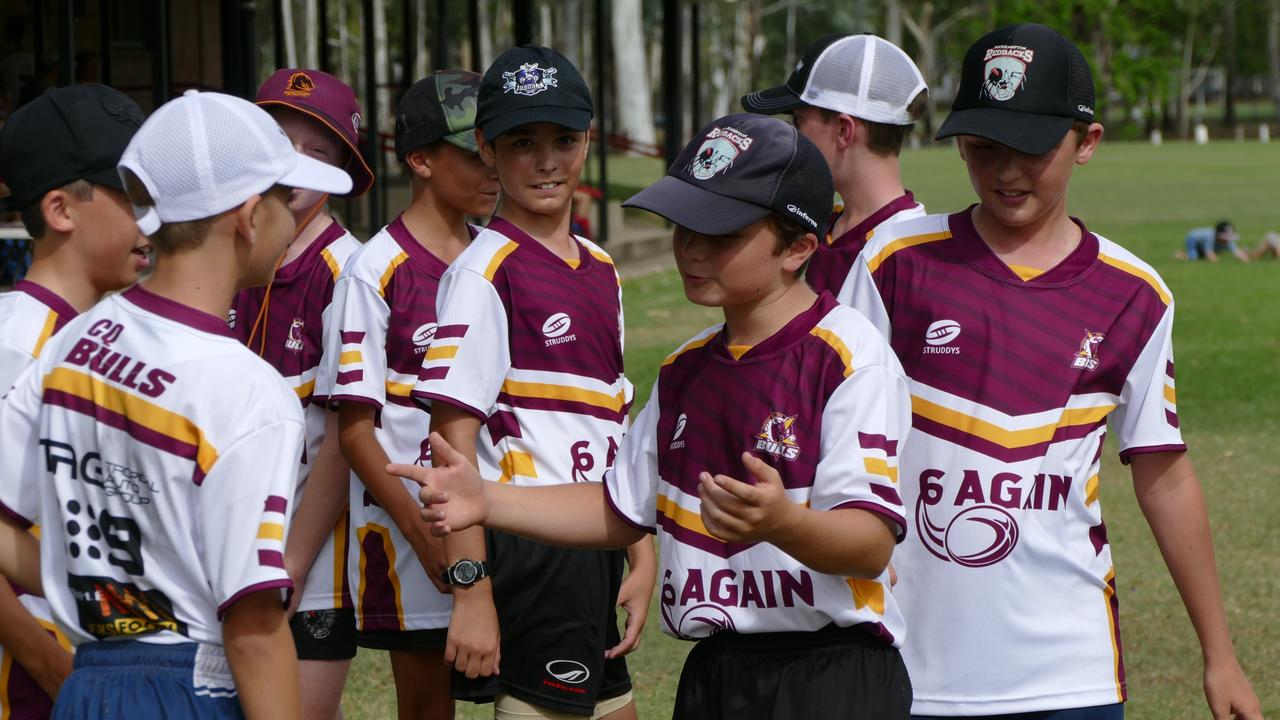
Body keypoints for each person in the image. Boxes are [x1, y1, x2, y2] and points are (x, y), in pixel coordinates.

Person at [402, 112, 914, 720]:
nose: (691, 249)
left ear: (799, 246)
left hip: (829, 671)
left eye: (721, 233)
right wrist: (486, 500)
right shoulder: (685, 369)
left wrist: (783, 523)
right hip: (717, 670)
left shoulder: (849, 356)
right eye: (683, 226)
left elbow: (870, 542)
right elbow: (620, 507)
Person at [844, 23, 1264, 720]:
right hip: (906, 664)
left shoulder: (1134, 293)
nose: (1007, 172)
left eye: (1032, 149)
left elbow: (1164, 472)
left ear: (1086, 142)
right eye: (983, 149)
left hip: (1071, 674)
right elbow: (839, 436)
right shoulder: (896, 260)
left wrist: (1219, 655)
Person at [0, 89, 351, 718]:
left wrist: (89, 584)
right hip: (192, 685)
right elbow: (253, 629)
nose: (292, 217)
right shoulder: (249, 391)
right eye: (283, 199)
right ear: (247, 217)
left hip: (89, 685)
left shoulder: (76, 340)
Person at [409, 45, 653, 719]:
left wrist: (638, 547)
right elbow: (448, 446)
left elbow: (612, 419)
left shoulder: (601, 267)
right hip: (532, 552)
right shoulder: (484, 273)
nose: (547, 161)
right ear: (486, 147)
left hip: (592, 539)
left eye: (564, 140)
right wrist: (471, 593)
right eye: (523, 142)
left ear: (588, 140)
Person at [324, 69, 495, 719]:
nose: (494, 167)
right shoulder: (373, 270)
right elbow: (354, 428)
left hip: (497, 525)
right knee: (427, 707)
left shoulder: (495, 258)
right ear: (420, 159)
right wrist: (424, 539)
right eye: (474, 150)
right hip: (410, 541)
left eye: (496, 146)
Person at [0, 83, 148, 719]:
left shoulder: (97, 333)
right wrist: (49, 666)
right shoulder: (19, 346)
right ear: (61, 209)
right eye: (131, 197)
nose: (154, 218)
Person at [232, 67, 374, 720]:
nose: (292, 167)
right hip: (232, 538)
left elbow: (344, 444)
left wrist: (289, 562)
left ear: (342, 170)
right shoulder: (230, 255)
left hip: (309, 560)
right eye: (276, 142)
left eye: (315, 151)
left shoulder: (347, 272)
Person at [742, 33, 928, 302]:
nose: (792, 136)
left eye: (798, 121)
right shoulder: (819, 223)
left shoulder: (912, 254)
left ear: (843, 130)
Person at [1178, 220, 1249, 262]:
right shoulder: (1210, 238)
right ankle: (1179, 255)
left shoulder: (1228, 241)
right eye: (1225, 238)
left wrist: (1244, 258)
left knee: (1202, 257)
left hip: (1202, 243)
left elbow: (1236, 251)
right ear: (1217, 235)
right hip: (1193, 238)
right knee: (1193, 257)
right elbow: (1210, 256)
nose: (1227, 241)